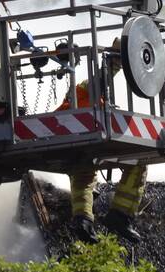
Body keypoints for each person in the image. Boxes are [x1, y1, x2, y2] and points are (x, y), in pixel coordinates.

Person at [55, 39, 147, 245]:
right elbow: (105, 73)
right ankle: (120, 216)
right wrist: (121, 47)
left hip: (69, 140)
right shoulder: (87, 91)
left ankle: (83, 220)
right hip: (86, 135)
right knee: (138, 164)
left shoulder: (75, 99)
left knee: (83, 171)